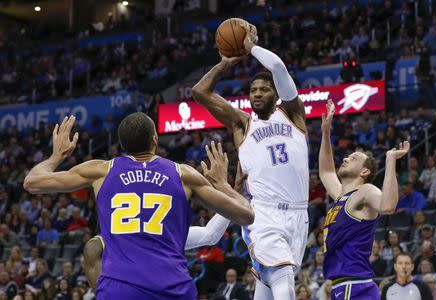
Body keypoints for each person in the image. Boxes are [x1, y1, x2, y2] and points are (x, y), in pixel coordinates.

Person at [23, 114, 254, 299]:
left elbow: (32, 182)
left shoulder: (100, 171)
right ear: (155, 140)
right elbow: (246, 215)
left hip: (119, 288)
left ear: (122, 145)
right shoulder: (183, 174)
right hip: (172, 287)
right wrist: (223, 184)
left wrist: (56, 156)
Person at [192, 20, 309, 300]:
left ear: (276, 94)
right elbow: (200, 92)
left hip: (299, 214)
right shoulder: (242, 124)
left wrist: (251, 47)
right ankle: (151, 240)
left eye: (263, 89)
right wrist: (226, 63)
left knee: (270, 283)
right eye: (253, 90)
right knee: (283, 278)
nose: (256, 93)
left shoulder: (293, 114)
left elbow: (278, 67)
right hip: (262, 211)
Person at [83, 163, 246, 290]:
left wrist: (233, 196)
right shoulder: (99, 245)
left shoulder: (102, 243)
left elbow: (209, 235)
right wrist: (233, 197)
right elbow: (209, 235)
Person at [319, 100, 410, 299]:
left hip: (354, 285)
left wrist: (390, 160)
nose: (344, 159)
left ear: (365, 171)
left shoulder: (365, 191)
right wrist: (326, 133)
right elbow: (326, 172)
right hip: (343, 285)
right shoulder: (342, 196)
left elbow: (388, 205)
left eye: (352, 159)